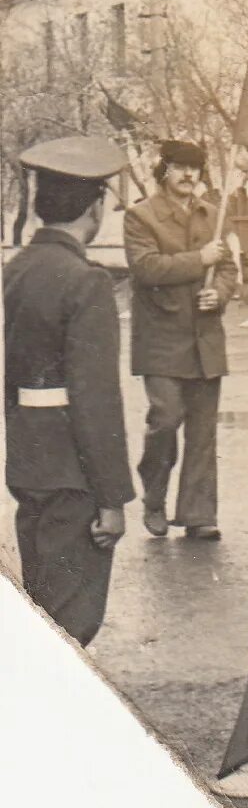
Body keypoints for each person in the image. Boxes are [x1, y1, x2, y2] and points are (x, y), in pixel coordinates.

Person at [4, 136, 132, 644]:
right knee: (70, 626)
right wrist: (112, 498)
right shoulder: (87, 282)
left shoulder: (18, 270)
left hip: (30, 461)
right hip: (74, 473)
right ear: (95, 207)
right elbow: (96, 401)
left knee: (43, 612)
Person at [124, 139, 236, 542]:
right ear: (164, 170)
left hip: (205, 339)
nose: (189, 175)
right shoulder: (141, 216)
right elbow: (146, 267)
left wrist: (219, 293)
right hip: (161, 341)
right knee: (166, 420)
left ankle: (198, 513)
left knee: (203, 431)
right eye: (180, 167)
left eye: (195, 168)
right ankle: (154, 495)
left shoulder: (213, 215)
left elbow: (227, 268)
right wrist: (199, 261)